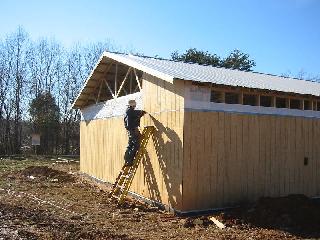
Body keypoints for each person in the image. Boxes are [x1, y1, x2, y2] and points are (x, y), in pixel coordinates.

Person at [123, 100, 146, 166]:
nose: (135, 106)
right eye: (134, 105)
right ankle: (129, 161)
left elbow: (135, 116)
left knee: (130, 145)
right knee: (136, 145)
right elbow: (138, 113)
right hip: (132, 130)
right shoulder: (130, 111)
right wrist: (142, 112)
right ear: (133, 105)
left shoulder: (127, 111)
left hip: (130, 131)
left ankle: (127, 160)